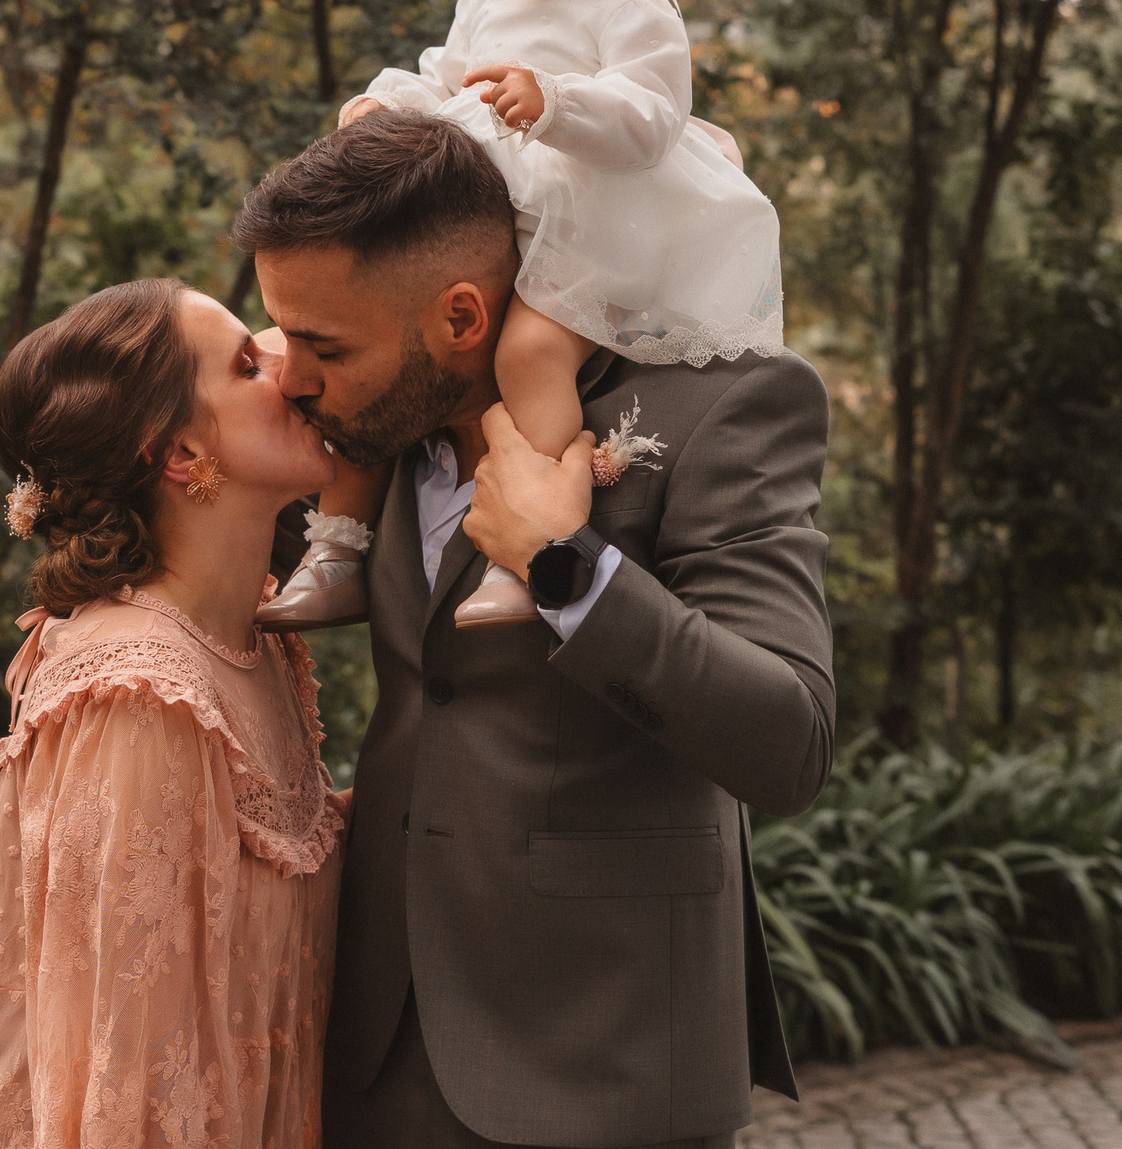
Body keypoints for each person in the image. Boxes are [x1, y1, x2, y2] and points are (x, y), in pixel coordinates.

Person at [233, 113, 834, 1149]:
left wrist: (565, 570)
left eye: (326, 345)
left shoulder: (716, 405)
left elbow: (789, 736)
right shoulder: (372, 425)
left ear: (460, 315)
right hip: (376, 1049)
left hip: (603, 1051)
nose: (295, 375)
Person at [257, 0, 783, 634]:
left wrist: (555, 101)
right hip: (500, 219)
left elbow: (650, 119)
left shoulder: (633, 7)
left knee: (528, 356)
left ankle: (526, 553)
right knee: (360, 344)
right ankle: (336, 543)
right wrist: (388, 104)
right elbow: (448, 78)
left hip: (595, 225)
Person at [0, 280, 349, 1149]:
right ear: (176, 454)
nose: (290, 367)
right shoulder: (138, 688)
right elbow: (125, 1078)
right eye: (248, 363)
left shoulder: (255, 639)